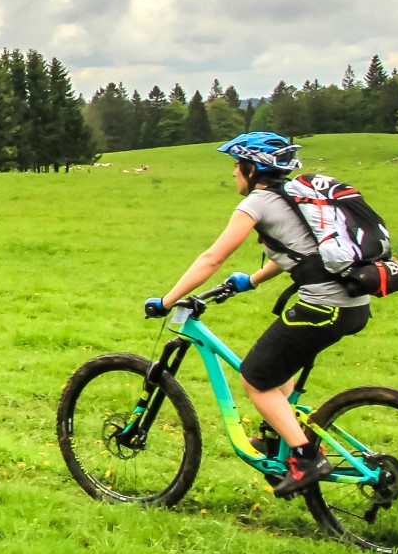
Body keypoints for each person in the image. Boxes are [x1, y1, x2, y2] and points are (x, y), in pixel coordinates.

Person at [148, 131, 370, 497]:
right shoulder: (296, 198)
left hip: (322, 307)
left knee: (255, 378)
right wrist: (250, 281)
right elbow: (300, 253)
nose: (234, 172)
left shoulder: (258, 203)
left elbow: (213, 258)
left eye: (237, 165)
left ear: (252, 169)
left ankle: (305, 458)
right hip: (353, 304)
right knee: (277, 367)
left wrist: (167, 300)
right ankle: (276, 438)